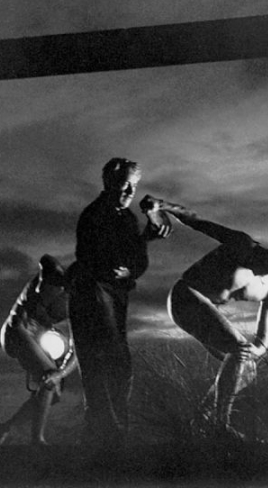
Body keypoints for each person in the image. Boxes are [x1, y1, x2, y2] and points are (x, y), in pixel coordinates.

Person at [140, 194, 268, 433]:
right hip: (185, 296)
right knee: (238, 350)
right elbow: (197, 221)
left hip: (203, 309)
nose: (266, 263)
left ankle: (200, 420)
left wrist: (253, 353)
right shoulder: (242, 245)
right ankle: (220, 425)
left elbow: (262, 340)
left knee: (246, 369)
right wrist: (161, 206)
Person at [68, 158, 171, 449]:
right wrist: (120, 265)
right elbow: (92, 258)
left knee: (115, 365)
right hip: (91, 294)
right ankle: (108, 436)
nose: (129, 191)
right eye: (125, 184)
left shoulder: (127, 219)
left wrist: (143, 242)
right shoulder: (94, 215)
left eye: (134, 185)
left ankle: (107, 436)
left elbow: (136, 262)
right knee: (104, 363)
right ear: (109, 183)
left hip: (114, 296)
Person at [0, 254, 78, 446]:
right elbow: (18, 326)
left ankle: (5, 427)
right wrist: (51, 373)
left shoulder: (79, 303)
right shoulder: (48, 280)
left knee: (54, 392)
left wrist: (61, 372)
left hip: (37, 337)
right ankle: (37, 439)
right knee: (48, 378)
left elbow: (78, 348)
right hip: (16, 332)